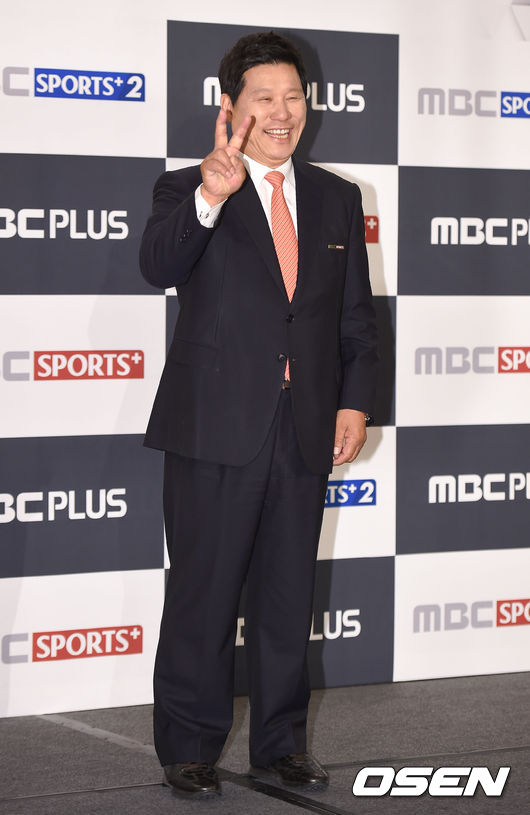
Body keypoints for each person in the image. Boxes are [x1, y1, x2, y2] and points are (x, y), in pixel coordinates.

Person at [139, 31, 378, 799]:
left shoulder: (338, 197)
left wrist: (353, 399)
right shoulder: (187, 187)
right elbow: (156, 266)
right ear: (230, 107)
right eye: (264, 98)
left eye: (293, 97)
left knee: (285, 595)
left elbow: (355, 317)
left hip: (303, 424)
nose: (282, 112)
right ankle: (188, 747)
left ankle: (280, 743)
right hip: (213, 426)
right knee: (203, 594)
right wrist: (212, 196)